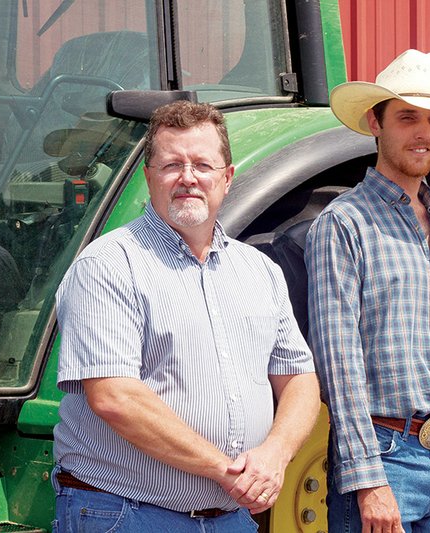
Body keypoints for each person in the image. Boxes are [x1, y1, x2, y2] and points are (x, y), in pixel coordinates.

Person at [52, 100, 320, 531]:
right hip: (128, 513)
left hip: (229, 517)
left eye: (202, 164)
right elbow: (115, 396)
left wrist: (274, 456)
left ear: (227, 178)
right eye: (172, 165)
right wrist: (228, 472)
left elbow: (300, 379)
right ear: (149, 177)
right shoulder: (108, 265)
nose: (188, 178)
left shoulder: (261, 271)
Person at [305, 49, 430, 533]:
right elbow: (339, 361)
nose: (424, 133)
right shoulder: (343, 224)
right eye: (408, 117)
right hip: (387, 458)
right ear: (376, 122)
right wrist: (368, 480)